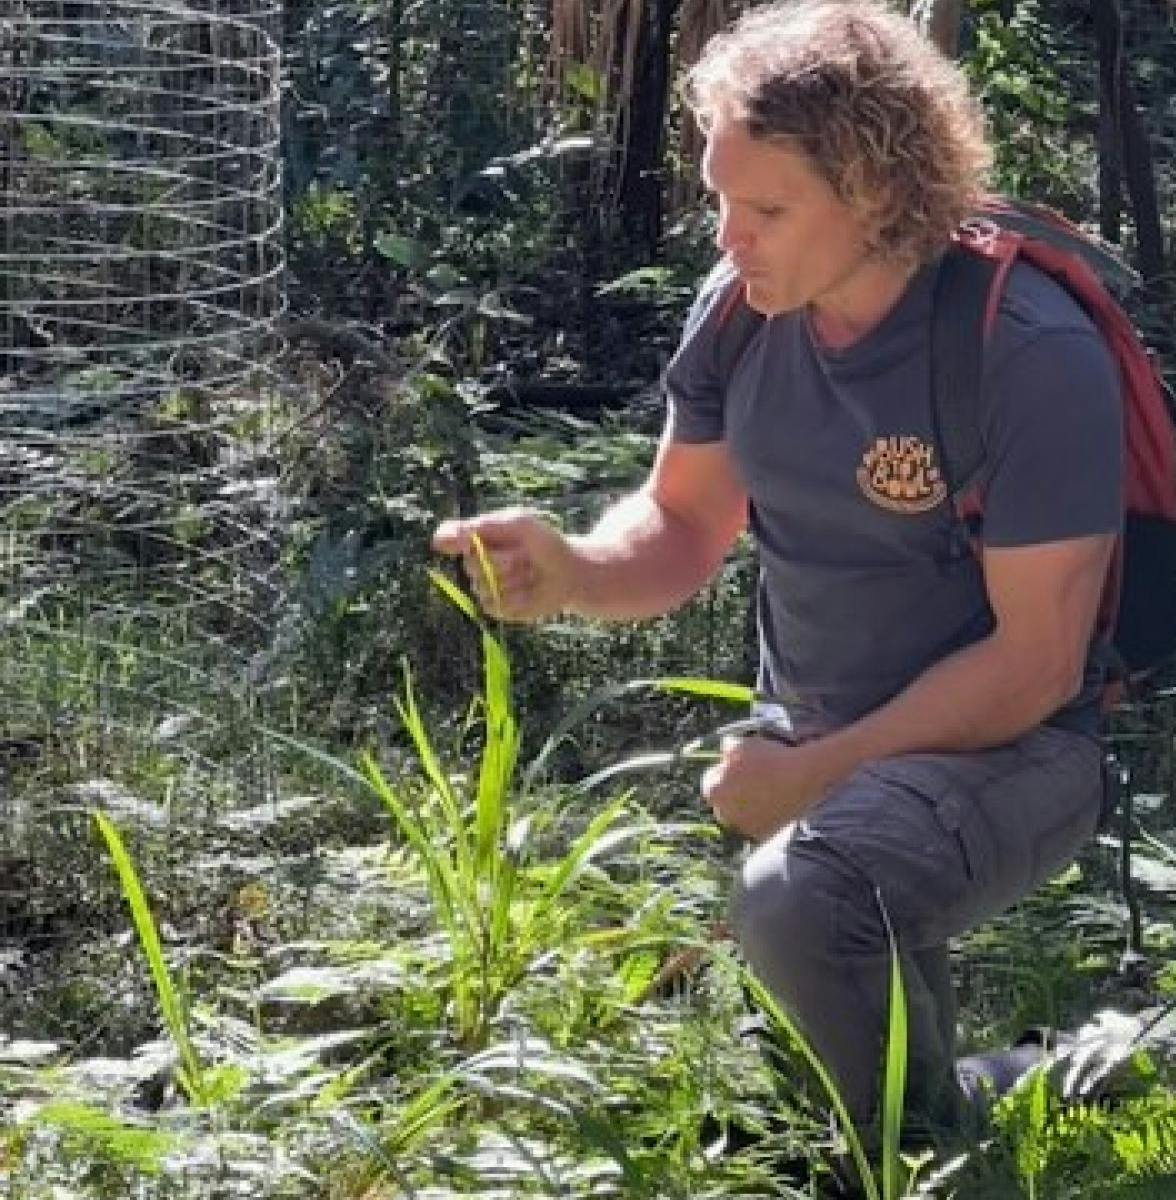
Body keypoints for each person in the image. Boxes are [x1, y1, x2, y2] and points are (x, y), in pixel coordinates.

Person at [433, 0, 1122, 1143]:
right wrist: (571, 569)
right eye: (718, 197)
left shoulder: (1028, 353)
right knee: (818, 1054)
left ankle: (917, 1166)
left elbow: (1037, 665)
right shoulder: (745, 313)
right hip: (814, 745)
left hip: (1019, 752)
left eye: (763, 208)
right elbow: (682, 524)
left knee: (802, 903)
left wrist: (811, 782)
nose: (724, 237)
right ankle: (1077, 1070)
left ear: (879, 193)